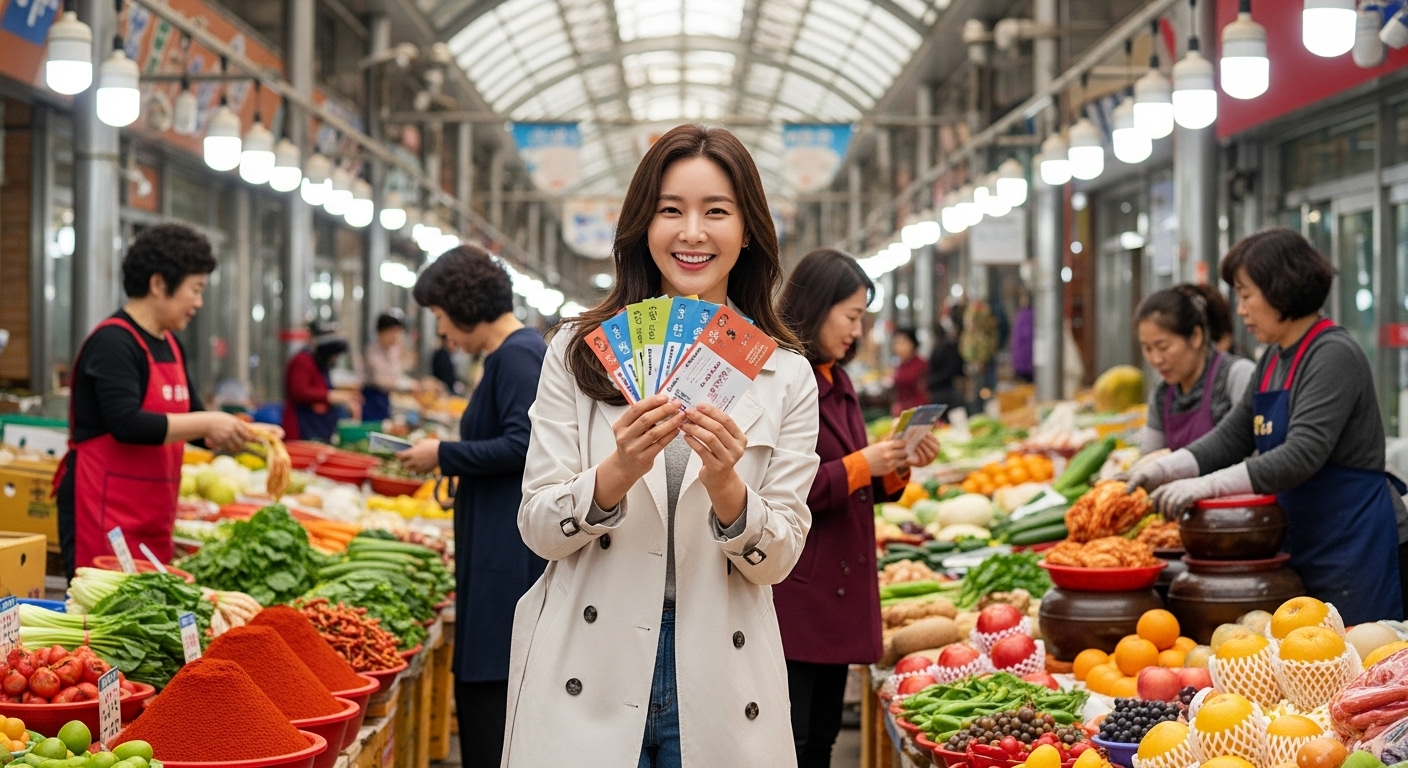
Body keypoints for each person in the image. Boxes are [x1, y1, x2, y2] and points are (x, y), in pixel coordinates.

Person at [504, 124, 820, 767]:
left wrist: (730, 489)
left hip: (721, 677)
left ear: (750, 229)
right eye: (670, 210)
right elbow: (537, 527)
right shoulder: (576, 352)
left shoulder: (785, 375)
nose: (692, 233)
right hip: (587, 661)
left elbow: (779, 558)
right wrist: (614, 475)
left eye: (717, 212)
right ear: (641, 226)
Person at [1125, 228, 1408, 623]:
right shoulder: (1274, 359)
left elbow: (1301, 454)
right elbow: (1233, 436)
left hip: (1351, 543)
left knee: (1361, 662)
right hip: (1302, 537)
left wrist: (1205, 485)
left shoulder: (1332, 354)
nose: (1240, 310)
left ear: (1280, 289)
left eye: (1245, 295)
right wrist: (1168, 467)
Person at [776, 250, 939, 768]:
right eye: (851, 317)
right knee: (793, 738)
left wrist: (898, 462)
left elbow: (866, 486)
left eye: (863, 318)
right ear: (816, 307)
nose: (859, 331)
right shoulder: (784, 380)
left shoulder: (837, 381)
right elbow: (783, 487)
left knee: (821, 734)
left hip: (839, 581)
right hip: (799, 589)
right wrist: (862, 464)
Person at [393, 246, 546, 768]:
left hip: (507, 556)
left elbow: (523, 444)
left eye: (439, 316)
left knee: (492, 700)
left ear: (463, 304)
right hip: (497, 546)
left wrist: (444, 454)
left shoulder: (516, 356)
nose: (442, 333)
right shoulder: (511, 355)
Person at [55, 223, 254, 577]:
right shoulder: (114, 342)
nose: (198, 303)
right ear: (159, 284)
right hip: (103, 512)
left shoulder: (170, 343)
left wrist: (238, 432)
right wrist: (208, 422)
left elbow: (190, 422)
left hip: (152, 515)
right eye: (195, 289)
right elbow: (126, 423)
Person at [1137, 285, 1256, 453]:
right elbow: (1148, 457)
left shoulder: (1236, 377)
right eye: (1147, 349)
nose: (1156, 359)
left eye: (1163, 347)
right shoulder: (1162, 396)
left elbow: (1259, 455)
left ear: (1195, 337)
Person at [283, 322, 361, 442]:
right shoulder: (302, 360)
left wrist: (344, 399)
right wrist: (330, 396)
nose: (334, 359)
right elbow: (298, 391)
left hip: (318, 427)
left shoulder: (319, 364)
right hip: (301, 428)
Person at [361, 311, 409, 423]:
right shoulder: (371, 353)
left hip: (387, 399)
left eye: (397, 332)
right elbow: (380, 381)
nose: (395, 337)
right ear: (381, 333)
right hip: (372, 400)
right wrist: (406, 385)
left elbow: (397, 373)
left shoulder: (394, 351)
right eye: (392, 332)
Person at [928, 315, 966, 416]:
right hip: (943, 389)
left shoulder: (946, 347)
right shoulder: (945, 347)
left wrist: (931, 380)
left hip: (945, 391)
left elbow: (950, 370)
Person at [890, 327, 929, 416]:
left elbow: (924, 393)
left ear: (912, 344)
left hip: (919, 413)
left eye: (902, 343)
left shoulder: (921, 365)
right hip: (902, 413)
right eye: (896, 343)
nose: (898, 347)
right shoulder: (900, 365)